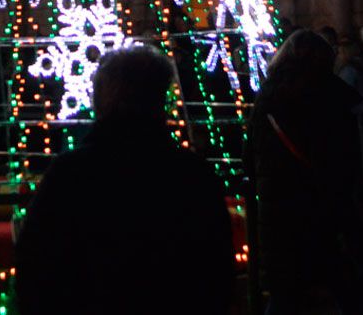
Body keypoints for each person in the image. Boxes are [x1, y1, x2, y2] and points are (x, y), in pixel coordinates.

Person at [16, 48, 233, 315]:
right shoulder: (192, 174)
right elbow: (218, 270)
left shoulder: (71, 174)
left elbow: (36, 265)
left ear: (102, 97)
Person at [247, 29, 363, 315]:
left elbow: (249, 159)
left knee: (285, 293)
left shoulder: (268, 98)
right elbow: (343, 160)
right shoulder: (331, 96)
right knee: (346, 287)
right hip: (322, 205)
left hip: (278, 210)